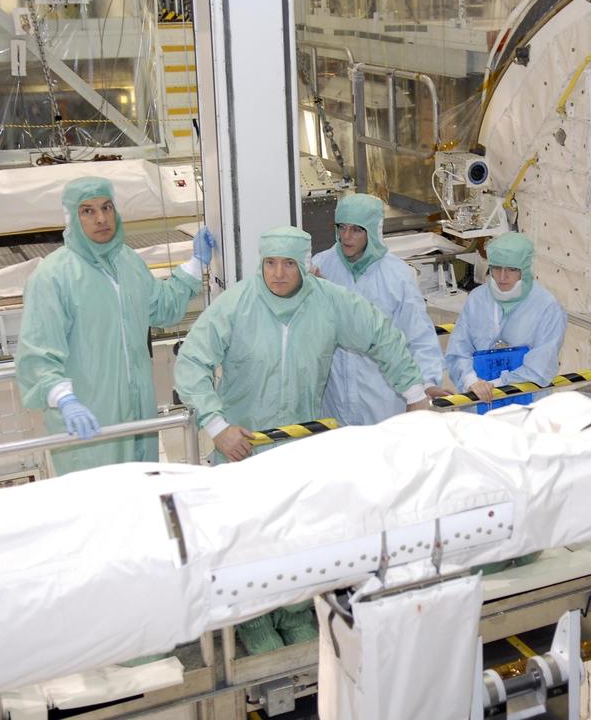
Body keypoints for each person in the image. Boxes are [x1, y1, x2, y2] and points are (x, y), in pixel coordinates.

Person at [173, 225, 427, 654]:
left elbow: (381, 335)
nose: (277, 273)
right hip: (243, 447)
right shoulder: (236, 305)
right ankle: (253, 621)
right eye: (270, 263)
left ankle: (292, 614)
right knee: (244, 537)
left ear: (304, 265)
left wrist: (416, 395)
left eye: (288, 264)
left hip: (300, 447)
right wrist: (217, 426)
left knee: (294, 536)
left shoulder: (328, 304)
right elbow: (192, 362)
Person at [16, 176, 214, 475]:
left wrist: (196, 263)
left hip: (138, 419)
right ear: (72, 218)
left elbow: (161, 307)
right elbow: (37, 355)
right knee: (97, 508)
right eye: (88, 211)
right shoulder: (53, 276)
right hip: (88, 423)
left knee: (140, 500)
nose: (101, 218)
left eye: (107, 207)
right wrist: (64, 399)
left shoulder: (127, 262)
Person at [311, 193, 448, 425]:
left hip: (381, 398)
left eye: (356, 229)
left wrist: (426, 383)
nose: (346, 236)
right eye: (341, 227)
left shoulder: (397, 275)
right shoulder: (321, 267)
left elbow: (418, 335)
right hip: (332, 399)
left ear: (373, 231)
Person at [444, 232, 566, 408]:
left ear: (525, 269)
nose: (502, 276)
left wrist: (496, 384)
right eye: (496, 267)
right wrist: (470, 381)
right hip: (476, 396)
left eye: (512, 269)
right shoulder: (478, 298)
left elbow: (541, 365)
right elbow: (458, 349)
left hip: (525, 402)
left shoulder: (547, 307)